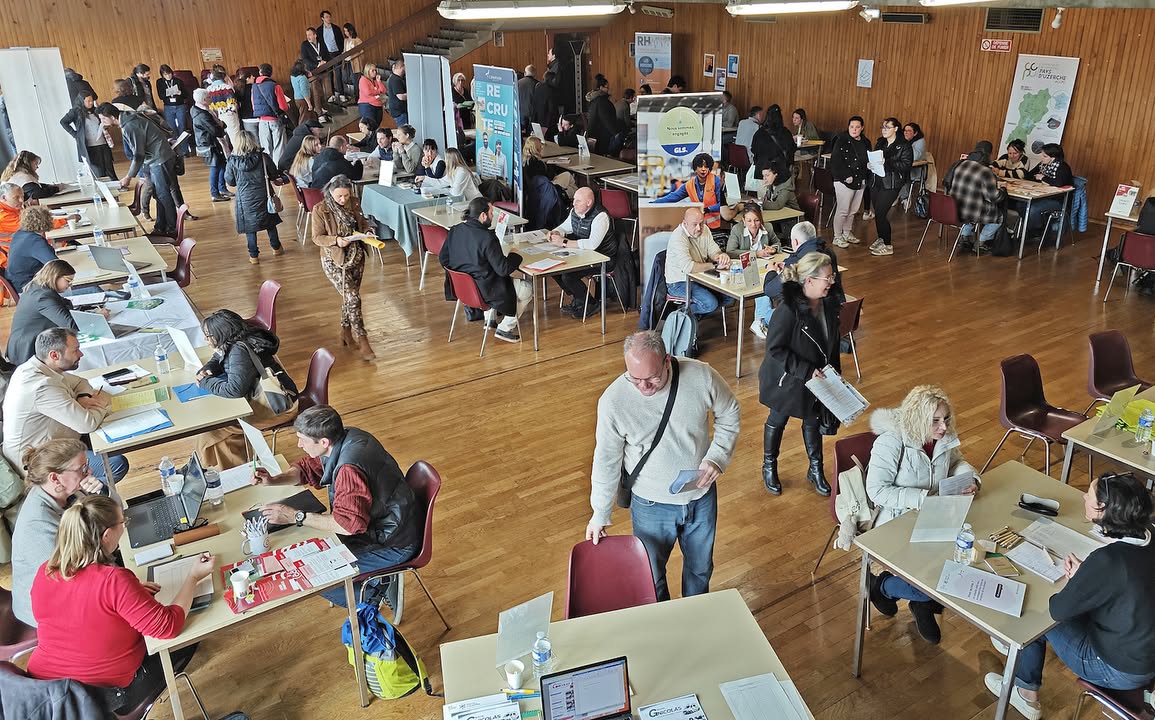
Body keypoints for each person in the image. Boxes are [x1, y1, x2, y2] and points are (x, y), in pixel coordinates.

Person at [984, 472, 1155, 720]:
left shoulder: (1109, 561)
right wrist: (1090, 576)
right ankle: (1016, 653)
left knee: (1036, 618)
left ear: (1102, 509)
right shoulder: (1149, 532)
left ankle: (1024, 692)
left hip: (1116, 667)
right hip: (1143, 648)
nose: (1084, 496)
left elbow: (1059, 610)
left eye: (1090, 494)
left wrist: (1084, 579)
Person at [586, 331, 740, 602]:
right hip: (650, 504)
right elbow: (606, 459)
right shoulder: (613, 401)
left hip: (700, 498)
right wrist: (600, 512)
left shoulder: (701, 376)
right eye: (635, 379)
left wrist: (717, 456)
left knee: (700, 571)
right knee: (651, 576)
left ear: (667, 360)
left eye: (652, 378)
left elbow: (730, 412)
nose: (644, 387)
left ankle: (695, 619)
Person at [27, 495, 214, 714]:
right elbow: (168, 626)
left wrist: (127, 599)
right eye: (122, 523)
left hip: (42, 689)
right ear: (107, 536)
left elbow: (79, 612)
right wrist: (192, 577)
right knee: (189, 640)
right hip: (99, 697)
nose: (124, 527)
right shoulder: (113, 581)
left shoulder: (46, 571)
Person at [255, 405, 418, 609]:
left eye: (302, 440)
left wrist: (295, 516)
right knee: (307, 549)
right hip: (386, 526)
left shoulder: (349, 468)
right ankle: (373, 584)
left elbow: (348, 526)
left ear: (323, 442)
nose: (298, 445)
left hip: (390, 545)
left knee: (310, 575)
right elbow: (308, 468)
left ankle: (369, 597)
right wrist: (274, 480)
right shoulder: (346, 436)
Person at [864, 385, 978, 644]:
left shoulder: (943, 437)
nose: (943, 427)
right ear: (917, 419)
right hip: (894, 521)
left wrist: (970, 479)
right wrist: (922, 499)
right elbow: (876, 490)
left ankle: (922, 603)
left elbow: (957, 462)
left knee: (957, 564)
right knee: (940, 581)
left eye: (946, 419)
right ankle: (883, 587)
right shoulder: (891, 442)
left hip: (934, 514)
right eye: (935, 421)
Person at [757, 252, 840, 497]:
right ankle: (769, 465)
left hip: (817, 378)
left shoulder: (828, 304)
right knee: (778, 419)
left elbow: (831, 343)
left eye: (832, 276)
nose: (832, 282)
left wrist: (835, 374)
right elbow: (774, 349)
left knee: (812, 420)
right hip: (787, 379)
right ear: (809, 281)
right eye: (827, 277)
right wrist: (805, 370)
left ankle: (815, 469)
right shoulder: (788, 310)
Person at [2, 327, 129, 484]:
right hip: (39, 462)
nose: (81, 355)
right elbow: (87, 424)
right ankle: (80, 497)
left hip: (56, 443)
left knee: (111, 444)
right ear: (54, 355)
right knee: (116, 465)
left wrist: (83, 397)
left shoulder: (38, 367)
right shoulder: (41, 386)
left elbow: (81, 382)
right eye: (75, 350)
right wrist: (100, 403)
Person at [10, 438, 104, 627]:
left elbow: (107, 521)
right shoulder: (39, 525)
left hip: (76, 579)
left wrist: (98, 496)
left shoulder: (65, 493)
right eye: (82, 469)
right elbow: (73, 579)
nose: (89, 472)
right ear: (54, 477)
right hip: (48, 613)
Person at [194, 310, 298, 466]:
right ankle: (218, 467)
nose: (205, 339)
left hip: (278, 405)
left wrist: (205, 382)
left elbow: (235, 390)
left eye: (208, 336)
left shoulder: (239, 351)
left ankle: (227, 469)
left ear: (221, 334)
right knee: (214, 427)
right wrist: (208, 370)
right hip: (270, 397)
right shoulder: (238, 339)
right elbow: (218, 357)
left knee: (216, 428)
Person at [439, 197, 532, 343]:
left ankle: (490, 320)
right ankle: (506, 328)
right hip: (485, 290)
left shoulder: (455, 230)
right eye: (491, 213)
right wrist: (515, 254)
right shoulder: (488, 238)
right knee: (526, 288)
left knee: (488, 276)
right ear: (483, 215)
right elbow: (503, 269)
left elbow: (444, 259)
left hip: (463, 288)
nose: (492, 216)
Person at [311, 175, 376, 361]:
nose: (343, 200)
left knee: (350, 297)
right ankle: (362, 339)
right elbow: (317, 237)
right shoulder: (320, 209)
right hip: (334, 260)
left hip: (356, 257)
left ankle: (345, 332)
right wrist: (336, 241)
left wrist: (368, 231)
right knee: (353, 296)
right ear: (330, 193)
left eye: (346, 195)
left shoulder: (354, 203)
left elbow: (362, 223)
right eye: (339, 196)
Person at [97, 102, 181, 237]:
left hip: (160, 158)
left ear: (112, 117)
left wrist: (128, 176)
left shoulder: (130, 125)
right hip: (155, 159)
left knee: (164, 195)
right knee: (159, 194)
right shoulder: (126, 120)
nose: (102, 122)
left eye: (103, 118)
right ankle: (160, 227)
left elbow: (138, 154)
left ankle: (172, 230)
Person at [749, 220, 843, 339]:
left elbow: (770, 290)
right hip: (835, 309)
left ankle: (760, 321)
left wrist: (771, 271)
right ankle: (760, 322)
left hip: (810, 318)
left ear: (795, 242)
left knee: (770, 311)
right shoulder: (828, 253)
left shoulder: (800, 261)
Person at [547, 187, 616, 319]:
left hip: (603, 258)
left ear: (589, 203)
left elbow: (592, 244)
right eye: (574, 200)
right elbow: (565, 227)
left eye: (578, 201)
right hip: (584, 256)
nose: (573, 203)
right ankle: (580, 299)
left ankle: (590, 303)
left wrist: (564, 242)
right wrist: (555, 232)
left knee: (568, 276)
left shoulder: (600, 216)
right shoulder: (575, 211)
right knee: (555, 269)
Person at [224, 130, 286, 264]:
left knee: (249, 228)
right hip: (263, 195)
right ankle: (276, 247)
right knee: (270, 222)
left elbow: (230, 181)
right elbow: (273, 174)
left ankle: (254, 256)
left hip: (244, 199)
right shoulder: (263, 157)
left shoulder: (232, 161)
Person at [6, 260, 82, 364]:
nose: (69, 285)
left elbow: (61, 306)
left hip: (22, 343)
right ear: (55, 276)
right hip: (28, 350)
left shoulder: (36, 287)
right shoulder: (43, 297)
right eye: (68, 281)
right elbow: (70, 326)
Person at [665, 207, 733, 317]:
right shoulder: (678, 237)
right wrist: (714, 266)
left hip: (700, 277)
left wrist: (721, 256)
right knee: (710, 303)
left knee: (730, 297)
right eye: (695, 224)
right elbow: (689, 268)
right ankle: (678, 316)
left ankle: (694, 315)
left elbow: (714, 251)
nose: (699, 228)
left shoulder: (705, 229)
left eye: (701, 223)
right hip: (679, 282)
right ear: (685, 223)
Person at [944, 141, 1009, 252]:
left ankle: (964, 237)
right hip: (972, 211)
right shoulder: (985, 171)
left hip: (954, 207)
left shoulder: (960, 164)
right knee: (999, 217)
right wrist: (1003, 190)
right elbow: (994, 197)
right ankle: (982, 242)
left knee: (969, 209)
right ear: (989, 154)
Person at [866, 117, 913, 257]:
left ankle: (887, 244)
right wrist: (870, 165)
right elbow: (875, 157)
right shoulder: (880, 142)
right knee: (877, 213)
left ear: (896, 129)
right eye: (883, 127)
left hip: (891, 183)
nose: (884, 130)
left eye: (887, 127)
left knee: (880, 213)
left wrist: (888, 162)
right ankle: (881, 238)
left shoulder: (903, 145)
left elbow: (906, 165)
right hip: (876, 181)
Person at [653, 153, 728, 232]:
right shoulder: (689, 185)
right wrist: (652, 203)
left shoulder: (716, 181)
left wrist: (709, 209)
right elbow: (672, 197)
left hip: (716, 227)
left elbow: (722, 204)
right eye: (700, 166)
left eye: (706, 166)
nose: (703, 169)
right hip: (699, 227)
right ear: (695, 168)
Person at [830, 116, 871, 249]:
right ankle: (837, 236)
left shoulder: (865, 142)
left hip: (860, 179)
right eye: (851, 127)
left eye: (857, 127)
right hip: (844, 180)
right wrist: (845, 175)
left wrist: (869, 166)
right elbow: (835, 161)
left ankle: (847, 233)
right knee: (843, 209)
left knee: (853, 210)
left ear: (862, 128)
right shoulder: (841, 140)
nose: (854, 129)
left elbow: (868, 158)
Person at [59, 92, 117, 179]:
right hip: (90, 146)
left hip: (103, 143)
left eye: (91, 100)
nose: (90, 103)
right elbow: (63, 122)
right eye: (88, 101)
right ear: (82, 101)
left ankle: (117, 185)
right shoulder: (75, 111)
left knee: (109, 168)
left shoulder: (96, 110)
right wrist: (75, 135)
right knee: (98, 171)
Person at [1025, 142, 1074, 236]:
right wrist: (1037, 177)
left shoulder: (1062, 167)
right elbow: (1029, 176)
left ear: (1053, 157)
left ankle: (1036, 230)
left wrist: (1042, 178)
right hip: (1041, 196)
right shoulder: (1043, 165)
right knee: (1021, 205)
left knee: (1033, 209)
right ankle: (1032, 228)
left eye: (1045, 156)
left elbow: (1058, 183)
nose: (1041, 158)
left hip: (1058, 200)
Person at [190, 87, 229, 202]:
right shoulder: (202, 115)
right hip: (208, 143)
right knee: (215, 167)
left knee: (222, 165)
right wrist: (222, 126)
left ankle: (222, 189)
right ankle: (215, 193)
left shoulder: (202, 109)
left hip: (212, 141)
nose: (211, 98)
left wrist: (222, 125)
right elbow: (215, 130)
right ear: (203, 100)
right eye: (208, 97)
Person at [6, 206, 59, 291]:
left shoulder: (19, 234)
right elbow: (56, 265)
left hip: (17, 282)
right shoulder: (35, 241)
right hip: (28, 287)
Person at [251, 64, 289, 166]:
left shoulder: (254, 87)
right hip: (275, 119)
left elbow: (254, 105)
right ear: (271, 73)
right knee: (279, 146)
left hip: (262, 120)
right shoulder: (275, 86)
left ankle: (269, 171)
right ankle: (278, 169)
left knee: (266, 148)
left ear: (260, 72)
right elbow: (283, 107)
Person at [155, 65, 190, 156]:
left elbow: (186, 94)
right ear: (162, 75)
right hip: (168, 106)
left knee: (182, 127)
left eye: (169, 74)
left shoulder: (178, 81)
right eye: (166, 75)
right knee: (171, 128)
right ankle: (176, 151)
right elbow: (161, 96)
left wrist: (180, 93)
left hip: (179, 105)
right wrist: (168, 92)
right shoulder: (160, 82)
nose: (168, 76)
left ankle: (185, 151)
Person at [751, 104, 795, 176]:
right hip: (780, 172)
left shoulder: (759, 133)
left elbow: (753, 149)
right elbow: (792, 148)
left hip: (761, 171)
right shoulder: (785, 132)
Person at [206, 67, 242, 146]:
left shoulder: (208, 89)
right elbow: (232, 104)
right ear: (223, 77)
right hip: (229, 116)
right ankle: (238, 155)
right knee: (235, 139)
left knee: (222, 142)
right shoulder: (227, 88)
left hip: (216, 117)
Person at [586, 75, 622, 156]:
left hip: (594, 135)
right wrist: (615, 134)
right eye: (607, 87)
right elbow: (606, 120)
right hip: (602, 136)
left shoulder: (594, 100)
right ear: (601, 87)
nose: (608, 89)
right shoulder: (603, 102)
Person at [300, 28, 329, 121]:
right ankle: (319, 112)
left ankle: (323, 107)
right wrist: (317, 65)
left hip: (324, 70)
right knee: (316, 91)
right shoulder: (305, 45)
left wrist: (324, 61)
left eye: (310, 34)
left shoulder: (321, 42)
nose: (308, 37)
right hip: (313, 71)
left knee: (324, 90)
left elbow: (327, 53)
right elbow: (305, 59)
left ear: (315, 35)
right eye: (307, 35)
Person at [318, 10, 345, 102]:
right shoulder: (319, 30)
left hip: (336, 52)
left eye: (329, 17)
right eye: (326, 17)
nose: (329, 18)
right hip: (327, 55)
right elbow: (319, 44)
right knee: (329, 74)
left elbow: (341, 40)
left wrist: (341, 51)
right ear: (322, 18)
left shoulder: (336, 28)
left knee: (338, 73)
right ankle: (332, 94)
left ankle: (341, 93)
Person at [900, 122, 927, 207]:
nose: (906, 132)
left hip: (917, 170)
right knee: (894, 173)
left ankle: (905, 198)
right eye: (905, 130)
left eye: (909, 131)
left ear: (915, 133)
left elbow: (914, 156)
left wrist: (906, 142)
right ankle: (898, 196)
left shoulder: (920, 141)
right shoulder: (901, 140)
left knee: (900, 175)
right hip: (905, 168)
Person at [356, 63, 387, 131]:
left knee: (377, 125)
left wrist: (379, 81)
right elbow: (368, 92)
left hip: (377, 104)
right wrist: (378, 91)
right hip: (367, 105)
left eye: (375, 70)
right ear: (367, 71)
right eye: (372, 70)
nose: (375, 72)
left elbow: (384, 90)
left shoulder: (375, 80)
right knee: (369, 126)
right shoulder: (363, 80)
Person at [289, 60, 313, 126]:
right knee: (304, 117)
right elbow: (304, 91)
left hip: (296, 98)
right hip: (303, 99)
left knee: (303, 114)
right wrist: (309, 103)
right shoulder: (302, 78)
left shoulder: (293, 76)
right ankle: (302, 130)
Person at [386, 58, 408, 127]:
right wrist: (412, 94)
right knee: (404, 130)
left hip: (398, 110)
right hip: (399, 111)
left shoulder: (394, 78)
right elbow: (401, 96)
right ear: (401, 67)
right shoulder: (395, 80)